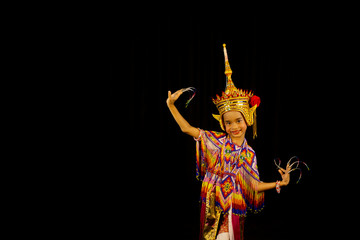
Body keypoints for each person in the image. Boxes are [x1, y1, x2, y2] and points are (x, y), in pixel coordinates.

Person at [166, 44, 292, 240]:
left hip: (233, 206)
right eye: (228, 122)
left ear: (248, 120)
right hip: (212, 203)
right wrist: (171, 106)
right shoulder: (216, 141)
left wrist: (280, 183)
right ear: (223, 124)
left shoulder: (249, 153)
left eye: (238, 121)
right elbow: (187, 129)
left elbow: (254, 185)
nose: (234, 127)